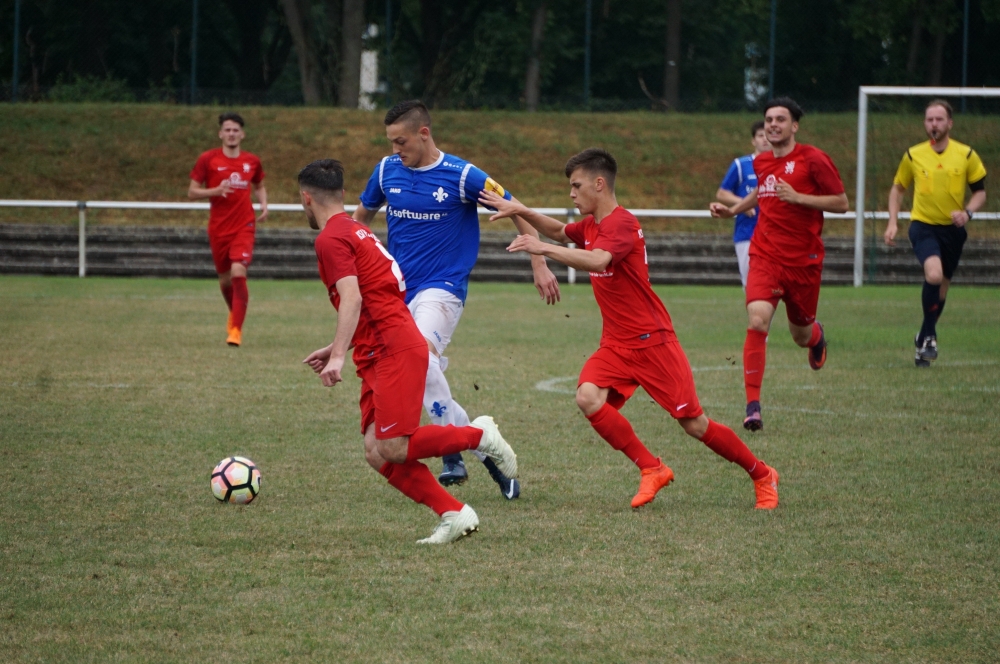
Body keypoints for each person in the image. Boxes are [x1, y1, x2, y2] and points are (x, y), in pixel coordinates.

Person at [481, 148, 779, 510]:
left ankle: (762, 474)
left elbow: (598, 259)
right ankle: (651, 468)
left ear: (599, 184)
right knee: (588, 397)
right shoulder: (592, 225)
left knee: (694, 424)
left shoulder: (622, 224)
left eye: (576, 186)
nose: (571, 194)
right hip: (617, 344)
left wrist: (541, 248)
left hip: (653, 342)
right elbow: (561, 230)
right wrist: (522, 211)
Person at [299, 159, 518, 544]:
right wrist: (337, 346)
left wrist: (336, 358)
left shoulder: (330, 238)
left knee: (393, 446)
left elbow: (351, 298)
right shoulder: (357, 231)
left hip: (392, 350)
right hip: (380, 347)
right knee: (376, 451)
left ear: (305, 198)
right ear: (342, 195)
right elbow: (376, 301)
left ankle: (476, 434)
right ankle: (454, 512)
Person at [353, 100, 560, 498]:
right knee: (420, 368)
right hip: (395, 292)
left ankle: (455, 455)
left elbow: (515, 209)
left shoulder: (462, 175)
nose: (396, 150)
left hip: (442, 290)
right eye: (391, 142)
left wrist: (538, 261)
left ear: (424, 134)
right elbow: (360, 220)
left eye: (402, 141)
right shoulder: (386, 170)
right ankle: (482, 445)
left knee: (420, 359)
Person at [710, 97, 848, 432]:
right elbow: (761, 192)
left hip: (804, 261)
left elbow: (841, 202)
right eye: (769, 119)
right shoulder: (761, 162)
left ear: (794, 126)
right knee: (757, 319)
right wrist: (734, 209)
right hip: (765, 255)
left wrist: (801, 198)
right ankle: (752, 406)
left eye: (780, 119)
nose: (773, 124)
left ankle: (816, 337)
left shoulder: (813, 159)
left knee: (799, 334)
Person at [883, 99, 987, 367]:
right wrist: (893, 221)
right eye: (930, 120)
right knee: (933, 274)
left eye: (939, 119)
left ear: (950, 123)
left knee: (941, 290)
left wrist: (967, 213)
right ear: (925, 124)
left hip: (953, 231)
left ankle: (923, 338)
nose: (934, 124)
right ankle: (930, 336)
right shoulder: (913, 155)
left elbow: (980, 192)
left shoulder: (965, 155)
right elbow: (898, 189)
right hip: (923, 226)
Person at [188, 112, 267, 347]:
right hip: (218, 228)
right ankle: (234, 314)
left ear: (242, 134)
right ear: (220, 133)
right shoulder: (208, 159)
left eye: (235, 130)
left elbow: (259, 184)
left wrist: (263, 203)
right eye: (227, 130)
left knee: (238, 272)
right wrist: (214, 191)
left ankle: (236, 330)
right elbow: (192, 192)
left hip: (244, 225)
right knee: (224, 280)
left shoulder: (252, 160)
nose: (231, 134)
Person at [715, 120, 771, 287]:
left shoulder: (782, 165)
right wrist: (743, 204)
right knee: (751, 284)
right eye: (761, 135)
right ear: (753, 140)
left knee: (774, 284)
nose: (765, 139)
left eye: (768, 135)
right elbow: (722, 193)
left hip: (774, 233)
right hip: (747, 232)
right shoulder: (741, 165)